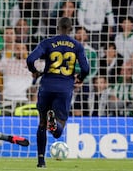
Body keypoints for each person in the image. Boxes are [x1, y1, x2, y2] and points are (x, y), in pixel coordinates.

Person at [26, 17, 90, 168]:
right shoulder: (77, 46)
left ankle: (41, 161)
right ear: (71, 29)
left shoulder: (48, 43)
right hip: (64, 88)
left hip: (46, 86)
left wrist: (34, 72)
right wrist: (80, 78)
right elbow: (86, 69)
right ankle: (55, 123)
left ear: (58, 27)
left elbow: (30, 59)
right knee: (58, 130)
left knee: (42, 123)